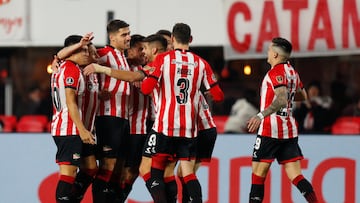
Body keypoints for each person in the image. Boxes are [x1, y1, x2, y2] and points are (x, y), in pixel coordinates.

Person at [140, 22, 224, 203]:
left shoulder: (163, 59)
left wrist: (152, 76)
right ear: (191, 40)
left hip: (166, 128)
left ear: (172, 38)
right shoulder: (202, 63)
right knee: (187, 173)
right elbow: (218, 96)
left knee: (156, 172)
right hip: (189, 130)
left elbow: (146, 89)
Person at [247, 37, 318, 203]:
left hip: (270, 129)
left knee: (258, 175)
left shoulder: (276, 72)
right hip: (289, 131)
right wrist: (290, 94)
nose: (268, 52)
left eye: (270, 49)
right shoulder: (292, 72)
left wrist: (260, 115)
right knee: (296, 176)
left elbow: (280, 99)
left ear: (276, 54)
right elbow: (303, 95)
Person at [50, 35, 96, 202]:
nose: (86, 53)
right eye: (82, 50)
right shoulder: (71, 69)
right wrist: (82, 129)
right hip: (69, 128)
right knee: (68, 174)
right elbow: (71, 102)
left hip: (72, 127)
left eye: (86, 50)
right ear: (71, 52)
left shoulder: (62, 66)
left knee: (91, 168)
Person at [92, 19, 132, 203]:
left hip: (123, 118)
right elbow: (81, 62)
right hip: (108, 117)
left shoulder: (122, 56)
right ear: (112, 37)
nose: (128, 37)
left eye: (128, 33)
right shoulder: (104, 54)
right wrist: (97, 91)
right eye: (124, 34)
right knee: (107, 164)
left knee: (118, 167)